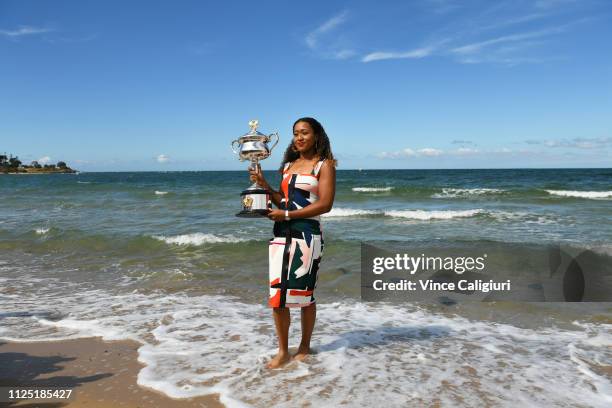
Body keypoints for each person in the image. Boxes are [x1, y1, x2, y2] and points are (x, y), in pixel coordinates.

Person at [249, 117, 337, 369]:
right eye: (295, 133)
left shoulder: (324, 165)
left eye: (304, 133)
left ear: (316, 135)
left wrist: (288, 214)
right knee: (278, 296)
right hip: (281, 234)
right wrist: (264, 185)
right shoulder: (288, 165)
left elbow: (325, 205)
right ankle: (282, 351)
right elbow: (283, 201)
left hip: (308, 236)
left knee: (304, 296)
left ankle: (305, 346)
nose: (299, 138)